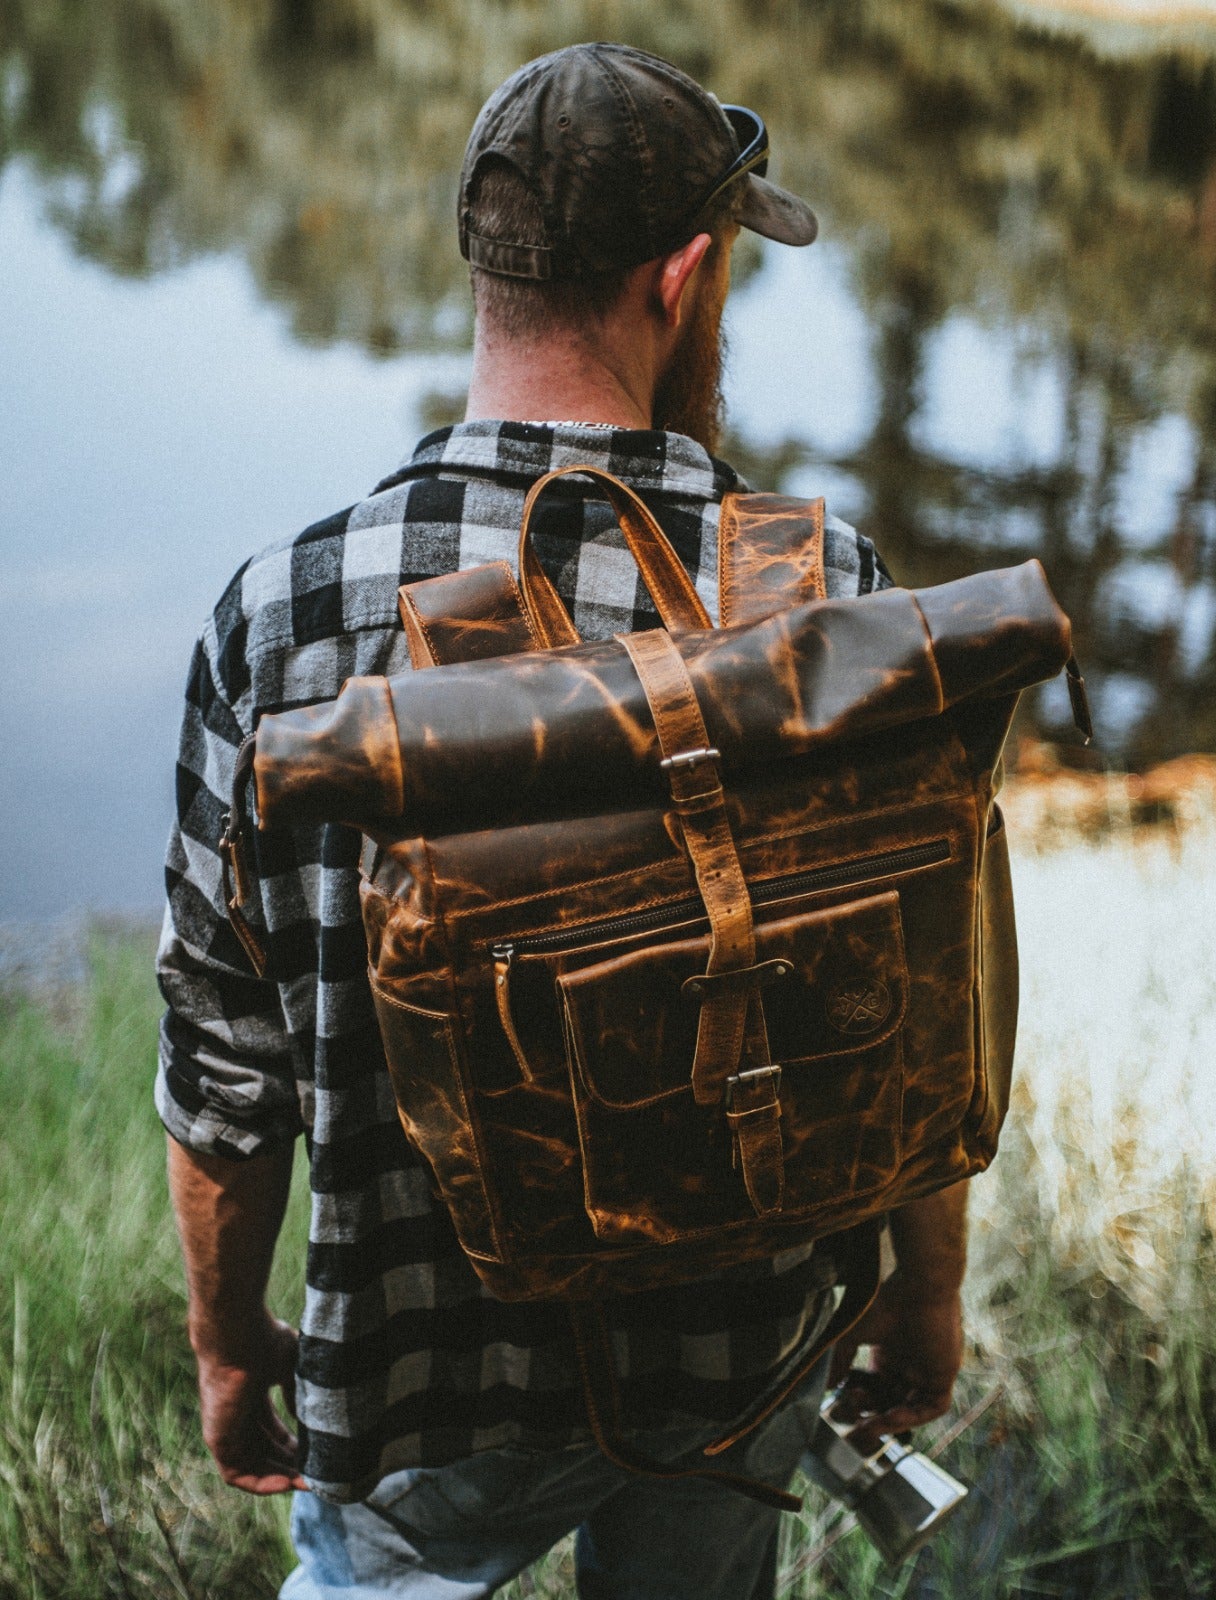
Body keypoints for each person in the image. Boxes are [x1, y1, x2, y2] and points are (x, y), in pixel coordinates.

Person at [157, 42, 968, 1600]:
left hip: (411, 1369)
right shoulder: (820, 593)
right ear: (684, 277)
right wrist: (923, 1296)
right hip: (737, 1345)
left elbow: (227, 1062)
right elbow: (907, 1013)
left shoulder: (287, 615)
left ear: (483, 262)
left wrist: (227, 1341)